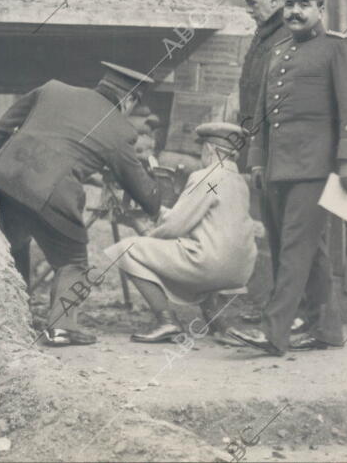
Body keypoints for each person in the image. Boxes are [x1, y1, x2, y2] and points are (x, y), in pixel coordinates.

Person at [230, 0, 347, 354]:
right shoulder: (277, 52)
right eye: (290, 4)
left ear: (320, 8)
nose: (294, 12)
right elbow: (261, 115)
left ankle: (273, 332)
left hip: (315, 168)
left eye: (304, 4)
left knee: (294, 249)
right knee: (301, 251)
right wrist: (257, 161)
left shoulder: (338, 48)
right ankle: (325, 329)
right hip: (277, 167)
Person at [0, 61, 161, 346]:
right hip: (52, 195)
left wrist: (2, 161)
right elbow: (144, 195)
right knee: (73, 261)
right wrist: (155, 185)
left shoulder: (53, 89)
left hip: (1, 179)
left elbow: (5, 125)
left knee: (14, 243)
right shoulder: (119, 130)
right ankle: (61, 327)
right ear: (128, 100)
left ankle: (11, 315)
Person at [104, 123, 258, 344]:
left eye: (202, 151)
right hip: (240, 268)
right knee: (202, 245)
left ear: (211, 151)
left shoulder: (207, 177)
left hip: (211, 264)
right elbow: (204, 220)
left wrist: (147, 233)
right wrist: (161, 214)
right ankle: (217, 324)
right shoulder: (239, 181)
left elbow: (177, 225)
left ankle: (167, 322)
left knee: (126, 250)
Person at [235, 0, 290, 324]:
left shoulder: (285, 37)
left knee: (285, 231)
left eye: (253, 3)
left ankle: (290, 310)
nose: (250, 10)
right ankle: (275, 306)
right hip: (259, 148)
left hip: (279, 149)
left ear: (274, 0)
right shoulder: (263, 35)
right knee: (269, 229)